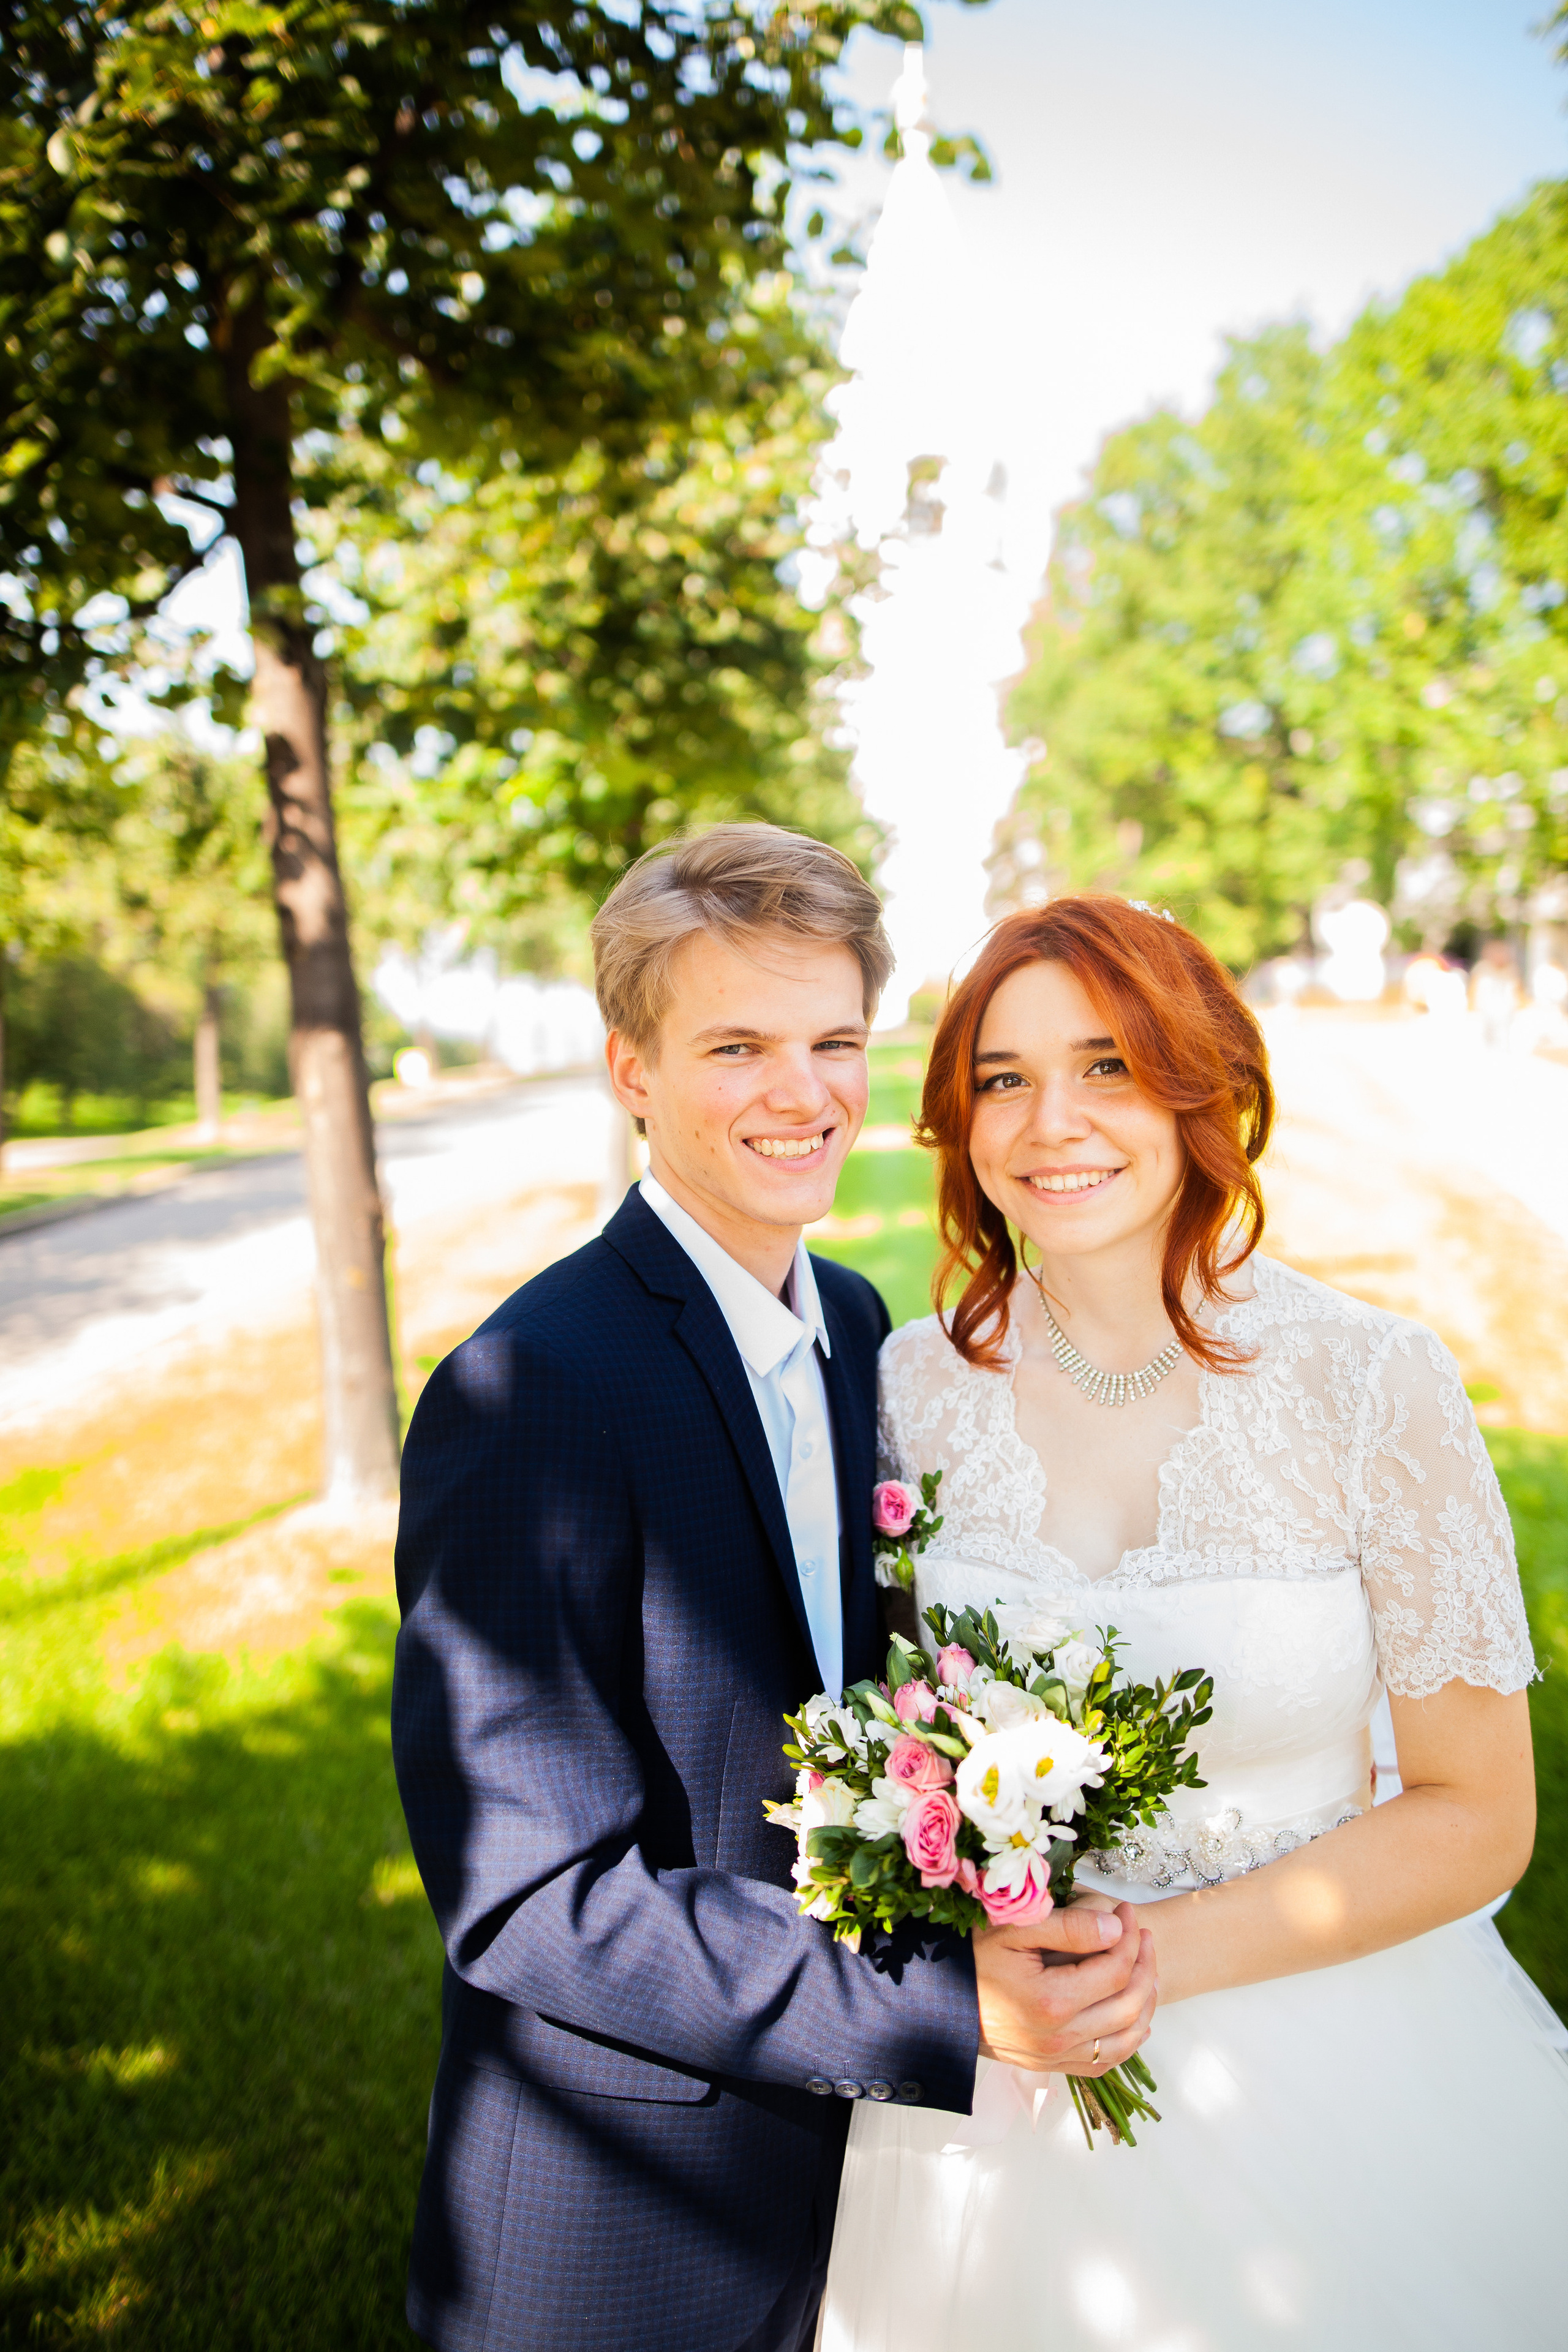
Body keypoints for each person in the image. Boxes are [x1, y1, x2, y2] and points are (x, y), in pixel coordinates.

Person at [390, 828, 1155, 2352]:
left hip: (864, 2192)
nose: (799, 1095)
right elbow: (530, 1898)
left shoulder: (854, 1321)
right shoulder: (527, 1392)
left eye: (830, 1042)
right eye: (735, 1047)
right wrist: (939, 2011)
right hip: (628, 2217)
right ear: (630, 1070)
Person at [823, 895, 1568, 2351]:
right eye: (1003, 1077)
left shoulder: (1371, 1385)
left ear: (1201, 1086)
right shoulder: (906, 1390)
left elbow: (1479, 1815)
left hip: (1334, 2047)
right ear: (958, 1122)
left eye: (1107, 1064)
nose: (1053, 1121)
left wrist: (1155, 1958)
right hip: (997, 2071)